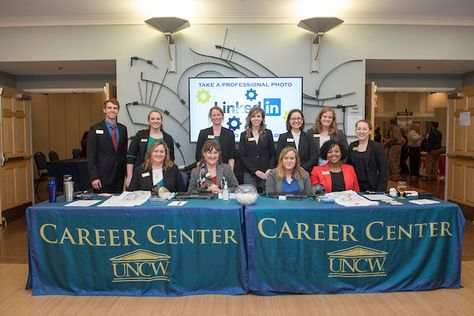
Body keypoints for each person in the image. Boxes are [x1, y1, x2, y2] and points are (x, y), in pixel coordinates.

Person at [125, 110, 175, 188]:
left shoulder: (168, 138)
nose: (155, 121)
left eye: (158, 119)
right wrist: (129, 176)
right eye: (153, 119)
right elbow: (131, 156)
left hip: (162, 176)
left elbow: (171, 159)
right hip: (141, 176)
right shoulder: (140, 135)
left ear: (161, 121)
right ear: (148, 121)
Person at [87, 99, 128, 193]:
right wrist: (94, 177)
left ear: (118, 111)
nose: (112, 110)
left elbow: (123, 153)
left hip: (119, 175)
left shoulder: (122, 129)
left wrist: (126, 175)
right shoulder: (95, 129)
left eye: (115, 108)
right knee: (103, 205)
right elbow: (91, 155)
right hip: (102, 177)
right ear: (104, 110)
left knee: (117, 204)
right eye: (109, 108)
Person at [239, 107, 276, 193]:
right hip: (250, 173)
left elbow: (272, 154)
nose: (256, 118)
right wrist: (255, 171)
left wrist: (269, 170)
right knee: (249, 197)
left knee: (267, 199)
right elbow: (242, 156)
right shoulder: (244, 135)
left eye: (258, 116)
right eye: (253, 116)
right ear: (249, 118)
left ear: (262, 118)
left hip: (266, 173)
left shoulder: (268, 133)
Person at [347, 120, 388, 192]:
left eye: (364, 129)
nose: (361, 131)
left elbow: (384, 169)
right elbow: (348, 167)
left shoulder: (377, 147)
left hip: (372, 188)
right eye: (359, 129)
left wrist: (381, 190)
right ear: (356, 131)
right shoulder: (352, 146)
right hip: (355, 187)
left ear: (370, 131)